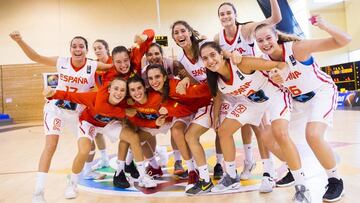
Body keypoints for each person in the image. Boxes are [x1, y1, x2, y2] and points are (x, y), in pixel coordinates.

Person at [254, 15, 351, 202]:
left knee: (313, 135)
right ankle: (294, 169)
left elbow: (344, 40)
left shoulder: (297, 48)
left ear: (276, 37)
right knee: (267, 136)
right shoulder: (263, 60)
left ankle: (335, 180)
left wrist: (325, 25)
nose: (265, 43)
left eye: (268, 38)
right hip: (296, 100)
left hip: (320, 93)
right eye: (260, 40)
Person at [9, 31, 112, 203]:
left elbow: (117, 66)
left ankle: (84, 172)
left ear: (86, 50)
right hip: (56, 109)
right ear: (70, 49)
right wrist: (20, 41)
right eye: (74, 46)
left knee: (88, 147)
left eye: (81, 46)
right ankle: (38, 192)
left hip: (77, 113)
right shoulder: (61, 62)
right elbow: (35, 57)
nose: (77, 49)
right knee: (50, 146)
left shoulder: (93, 65)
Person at [43, 77, 157, 198]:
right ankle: (72, 184)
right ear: (109, 89)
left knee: (134, 137)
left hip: (108, 124)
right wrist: (52, 94)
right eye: (116, 89)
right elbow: (70, 96)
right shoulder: (93, 97)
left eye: (122, 90)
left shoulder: (125, 101)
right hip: (89, 123)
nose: (118, 93)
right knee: (84, 150)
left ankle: (143, 177)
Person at [199, 41, 288, 194]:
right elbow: (218, 98)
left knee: (263, 132)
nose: (210, 61)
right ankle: (232, 176)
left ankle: (269, 172)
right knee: (223, 131)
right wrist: (215, 118)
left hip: (272, 95)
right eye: (205, 58)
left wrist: (281, 74)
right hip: (251, 102)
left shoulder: (242, 63)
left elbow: (279, 64)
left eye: (212, 55)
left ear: (222, 54)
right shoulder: (215, 79)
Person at [214, 0, 281, 181]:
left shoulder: (245, 29)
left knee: (259, 127)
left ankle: (269, 168)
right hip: (234, 87)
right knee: (240, 126)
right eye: (222, 14)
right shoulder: (217, 38)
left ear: (235, 15)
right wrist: (229, 55)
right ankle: (249, 161)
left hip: (254, 83)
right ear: (219, 18)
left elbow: (276, 18)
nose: (226, 16)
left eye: (229, 12)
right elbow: (213, 53)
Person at [146, 63, 213, 187]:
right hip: (185, 111)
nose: (154, 81)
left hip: (202, 106)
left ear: (165, 77)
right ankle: (192, 170)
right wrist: (160, 119)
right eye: (150, 78)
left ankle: (212, 167)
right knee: (176, 131)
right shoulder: (155, 95)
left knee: (191, 136)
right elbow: (179, 110)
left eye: (157, 77)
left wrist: (214, 87)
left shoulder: (176, 86)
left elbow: (203, 91)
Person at [126, 75, 197, 178]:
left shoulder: (157, 97)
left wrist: (169, 112)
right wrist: (154, 123)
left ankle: (192, 167)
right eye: (132, 90)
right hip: (154, 124)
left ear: (145, 87)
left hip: (169, 121)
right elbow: (136, 120)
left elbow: (176, 107)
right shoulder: (131, 104)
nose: (137, 92)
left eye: (139, 88)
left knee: (179, 133)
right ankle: (155, 167)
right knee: (136, 139)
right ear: (129, 92)